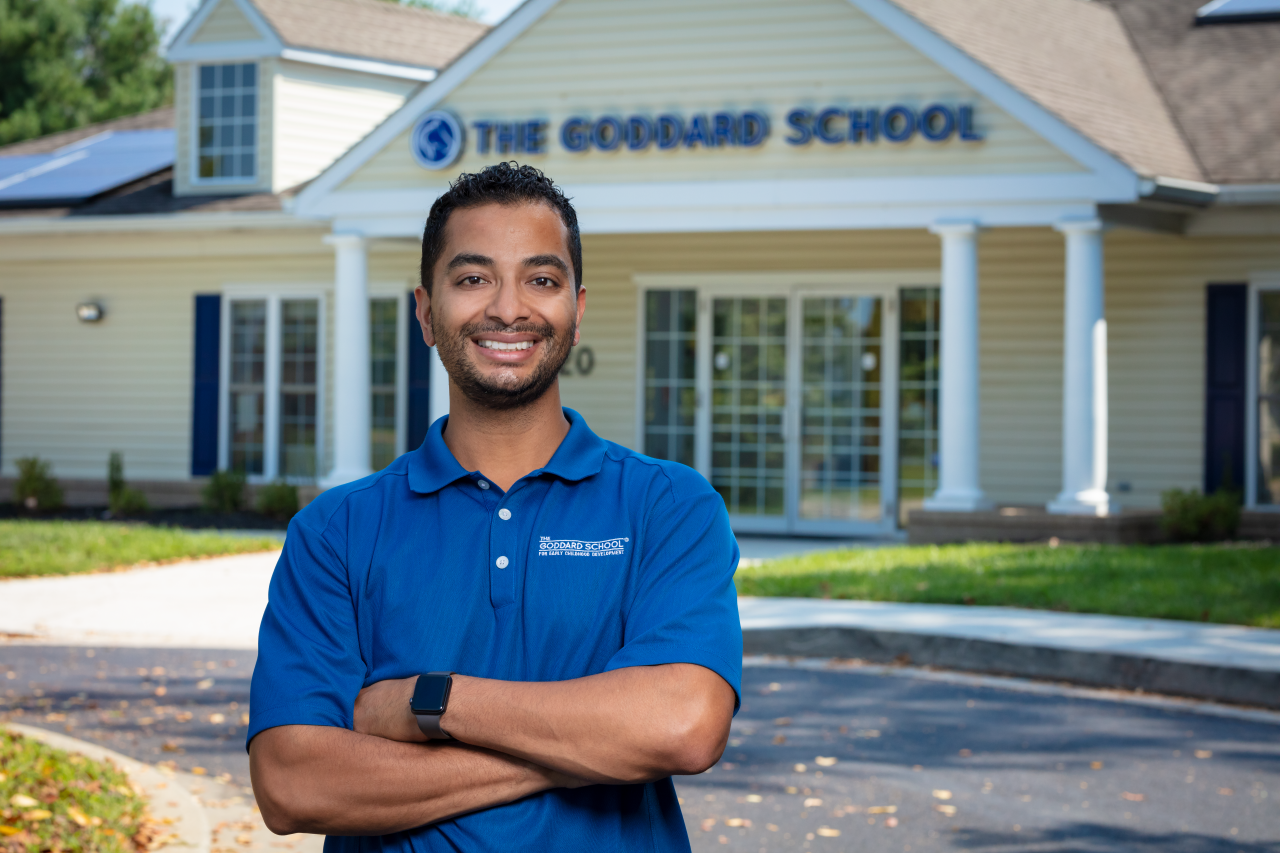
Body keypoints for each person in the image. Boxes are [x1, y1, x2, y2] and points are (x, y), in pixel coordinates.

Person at [247, 162, 742, 851]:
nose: (509, 308)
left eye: (541, 279)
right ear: (424, 310)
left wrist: (430, 700)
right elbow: (293, 783)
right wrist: (581, 749)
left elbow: (683, 725)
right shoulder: (336, 531)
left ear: (577, 310)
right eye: (473, 278)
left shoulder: (668, 507)